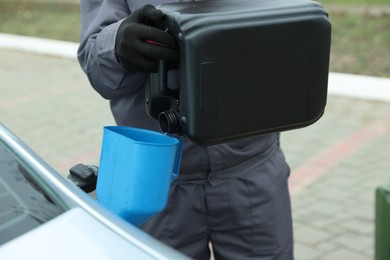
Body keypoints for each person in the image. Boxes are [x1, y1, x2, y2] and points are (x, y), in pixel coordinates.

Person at [78, 1, 293, 259]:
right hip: (155, 182)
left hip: (252, 169)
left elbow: (292, 28)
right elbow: (97, 71)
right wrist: (115, 45)